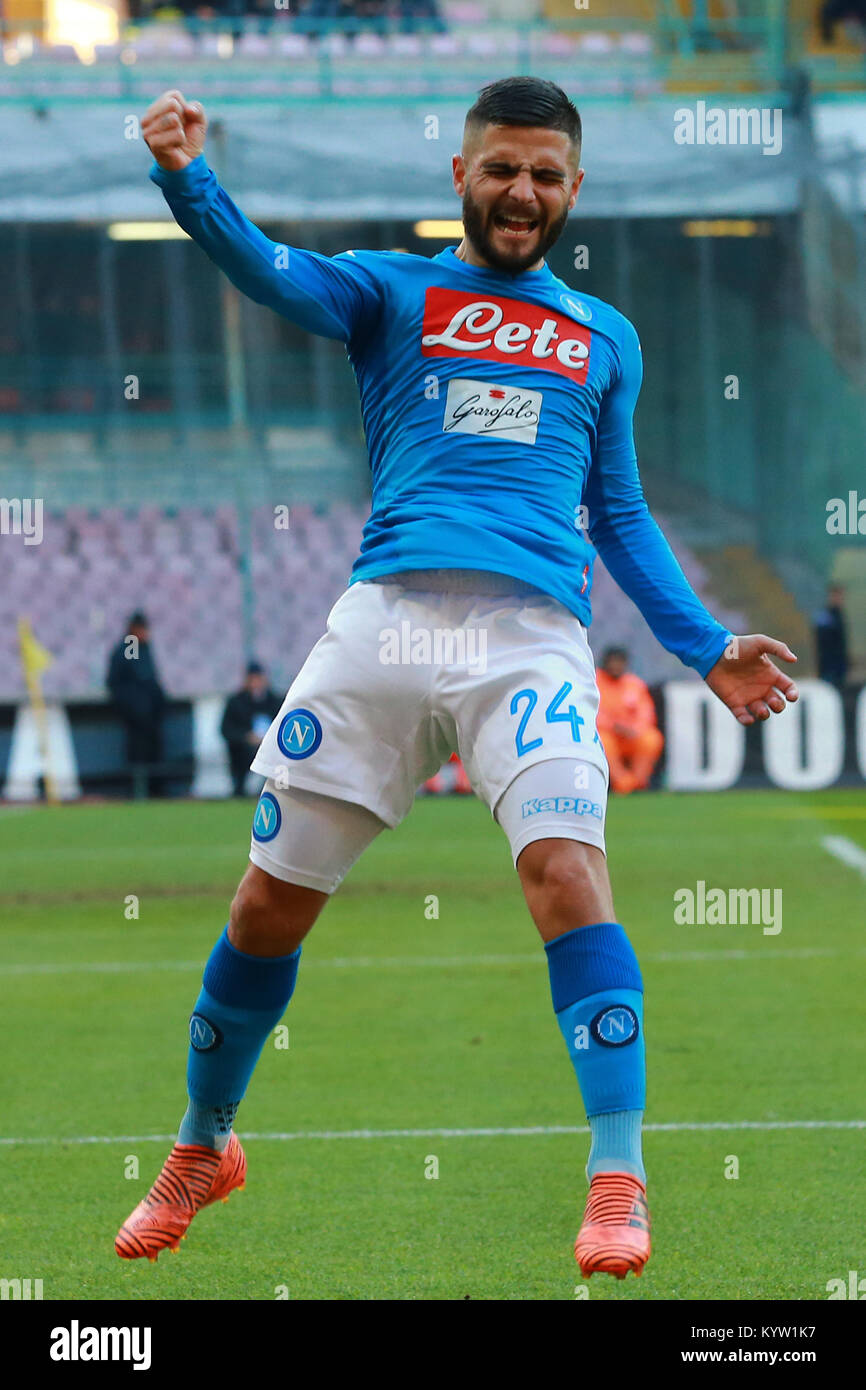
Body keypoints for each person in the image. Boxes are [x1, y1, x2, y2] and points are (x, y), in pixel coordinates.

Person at [117, 77, 799, 1281]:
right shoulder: (389, 289)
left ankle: (616, 1174)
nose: (520, 192)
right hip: (381, 621)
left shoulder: (603, 337)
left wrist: (703, 643)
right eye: (500, 168)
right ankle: (202, 1144)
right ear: (461, 177)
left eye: (543, 173)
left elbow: (621, 514)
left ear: (572, 188)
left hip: (528, 638)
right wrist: (185, 178)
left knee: (565, 875)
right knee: (264, 909)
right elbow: (266, 268)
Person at [106, 611, 167, 797]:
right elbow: (136, 678)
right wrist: (137, 707)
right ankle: (140, 791)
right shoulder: (132, 645)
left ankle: (153, 790)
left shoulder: (143, 647)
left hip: (148, 715)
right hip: (138, 716)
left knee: (151, 753)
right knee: (139, 753)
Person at [596, 647, 664, 794]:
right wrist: (613, 726)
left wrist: (634, 728)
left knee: (651, 738)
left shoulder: (634, 684)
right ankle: (621, 782)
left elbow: (646, 712)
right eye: (613, 662)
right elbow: (593, 712)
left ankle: (637, 782)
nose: (616, 666)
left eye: (620, 662)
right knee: (603, 741)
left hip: (630, 735)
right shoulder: (594, 681)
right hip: (608, 733)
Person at [220, 662, 283, 797]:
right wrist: (246, 736)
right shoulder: (236, 702)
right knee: (240, 758)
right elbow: (226, 729)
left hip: (270, 747)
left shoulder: (275, 701)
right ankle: (239, 792)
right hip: (243, 749)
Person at [813, 584, 849, 690]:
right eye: (836, 596)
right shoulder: (825, 619)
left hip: (840, 670)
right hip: (828, 670)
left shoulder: (839, 616)